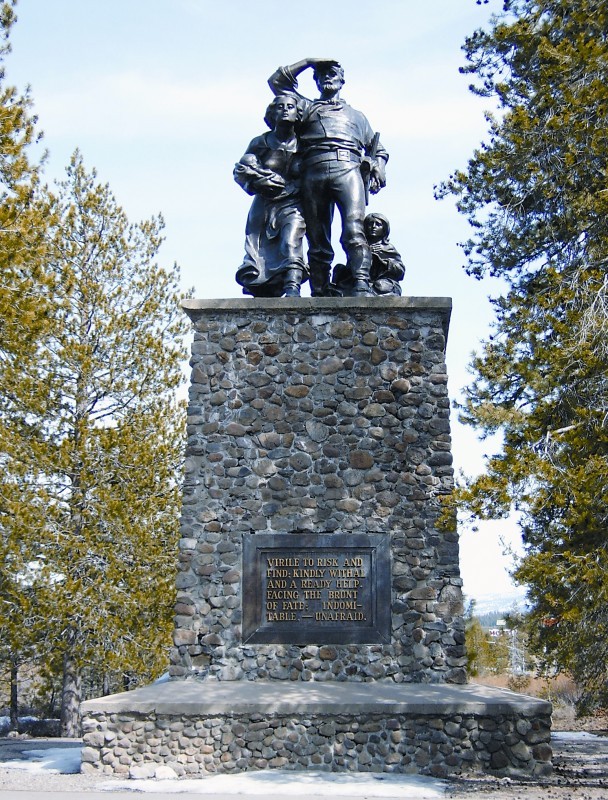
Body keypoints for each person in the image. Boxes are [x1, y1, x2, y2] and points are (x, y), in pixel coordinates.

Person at [268, 58, 388, 297]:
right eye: (322, 75)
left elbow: (379, 150)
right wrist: (309, 62)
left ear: (342, 79)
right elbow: (277, 82)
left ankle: (361, 283)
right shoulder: (307, 108)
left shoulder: (357, 116)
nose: (327, 77)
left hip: (348, 170)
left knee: (354, 229)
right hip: (314, 171)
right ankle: (319, 290)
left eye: (332, 73)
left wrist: (378, 165)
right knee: (317, 236)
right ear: (316, 81)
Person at [234, 94, 307, 297]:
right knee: (258, 249)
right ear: (272, 114)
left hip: (293, 203)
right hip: (265, 204)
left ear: (298, 113)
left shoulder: (305, 144)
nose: (285, 110)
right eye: (280, 107)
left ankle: (293, 287)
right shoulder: (260, 143)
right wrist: (259, 180)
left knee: (290, 240)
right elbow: (241, 171)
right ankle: (263, 285)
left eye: (290, 106)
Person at [330, 213, 405, 297]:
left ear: (384, 229)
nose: (373, 226)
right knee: (340, 271)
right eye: (370, 224)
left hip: (382, 280)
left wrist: (380, 260)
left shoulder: (387, 247)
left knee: (381, 285)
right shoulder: (358, 246)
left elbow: (400, 271)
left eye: (378, 224)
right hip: (359, 282)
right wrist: (365, 254)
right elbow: (351, 266)